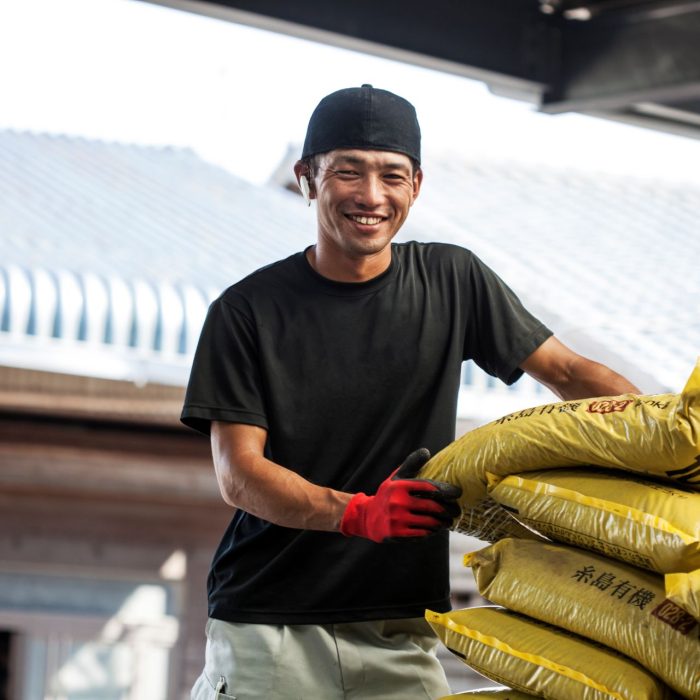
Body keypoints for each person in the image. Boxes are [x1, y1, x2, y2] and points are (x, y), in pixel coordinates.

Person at [181, 84, 639, 699]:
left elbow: (571, 374)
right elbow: (239, 473)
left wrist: (668, 436)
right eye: (348, 172)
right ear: (306, 179)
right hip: (272, 621)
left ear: (415, 186)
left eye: (391, 176)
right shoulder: (247, 311)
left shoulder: (453, 280)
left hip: (402, 624)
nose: (371, 196)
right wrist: (359, 512)